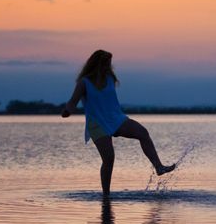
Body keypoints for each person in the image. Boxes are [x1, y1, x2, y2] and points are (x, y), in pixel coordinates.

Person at [61, 50, 175, 195]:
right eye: (106, 63)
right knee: (109, 158)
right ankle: (106, 195)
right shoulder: (84, 82)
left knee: (142, 133)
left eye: (109, 63)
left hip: (116, 118)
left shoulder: (110, 78)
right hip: (97, 124)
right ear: (97, 64)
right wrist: (67, 111)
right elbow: (72, 102)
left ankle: (159, 167)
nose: (109, 66)